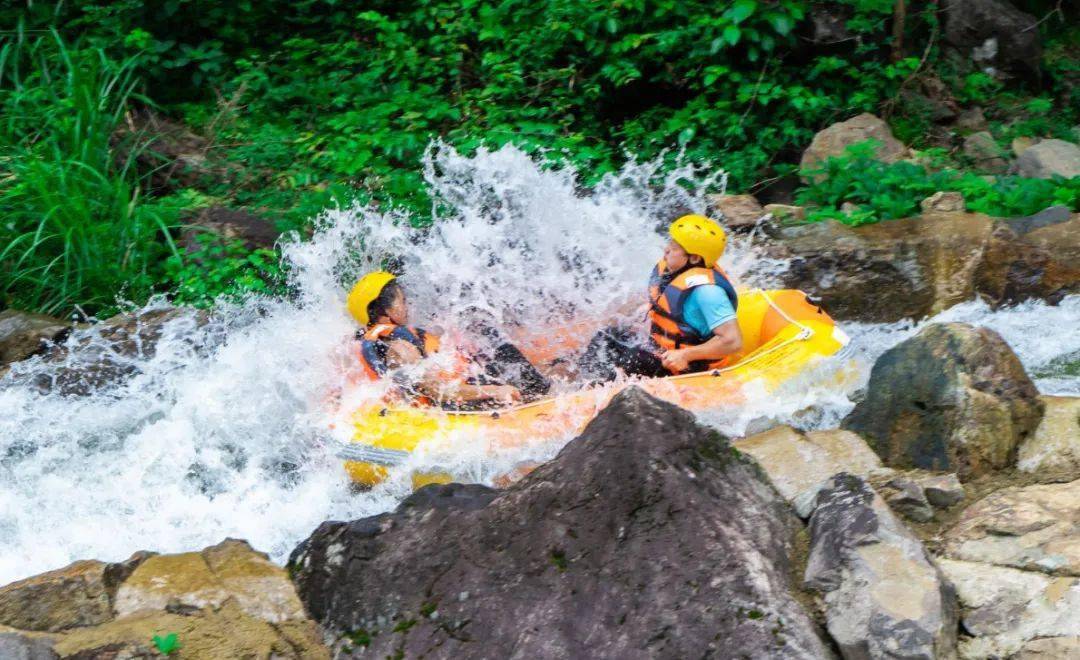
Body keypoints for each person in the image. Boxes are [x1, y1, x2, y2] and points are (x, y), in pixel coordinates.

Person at [346, 271, 550, 408]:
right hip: (457, 403)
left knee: (482, 334)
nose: (407, 306)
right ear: (386, 310)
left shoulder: (385, 338)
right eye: (403, 301)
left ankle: (547, 384)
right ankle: (545, 393)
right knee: (489, 334)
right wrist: (495, 390)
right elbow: (436, 390)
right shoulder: (399, 348)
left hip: (466, 386)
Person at [579, 214, 743, 381]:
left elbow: (733, 341)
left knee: (633, 359)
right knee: (606, 337)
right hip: (663, 348)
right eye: (670, 242)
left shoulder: (708, 292)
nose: (667, 249)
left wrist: (685, 355)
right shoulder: (672, 269)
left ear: (694, 258)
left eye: (675, 247)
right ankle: (574, 381)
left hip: (691, 364)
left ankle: (588, 394)